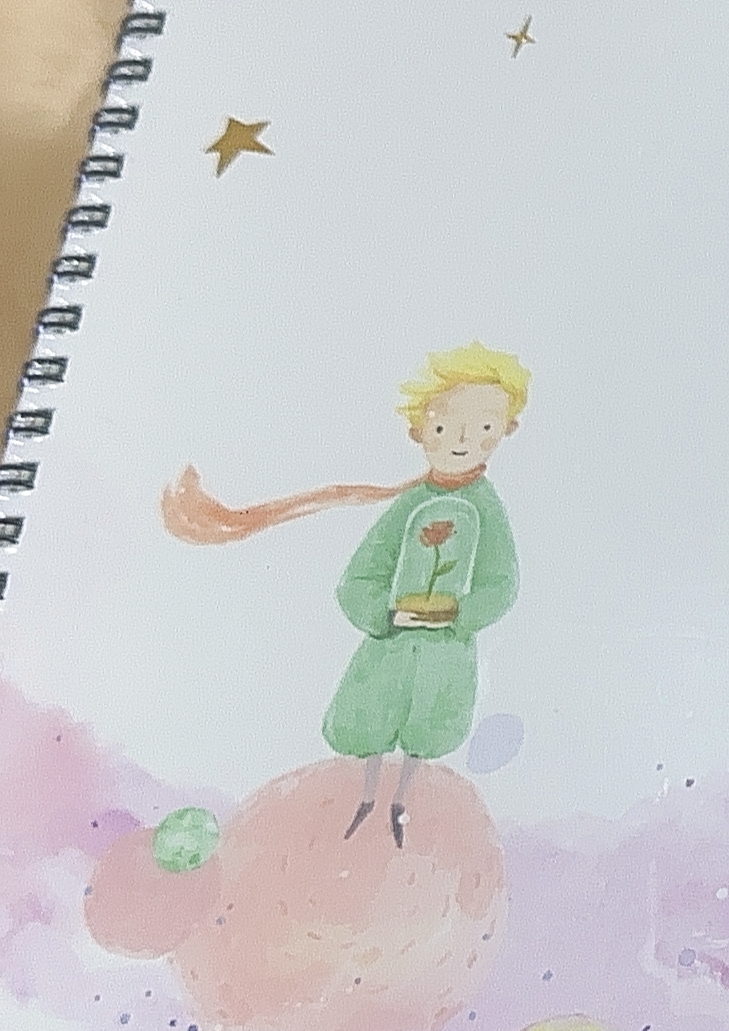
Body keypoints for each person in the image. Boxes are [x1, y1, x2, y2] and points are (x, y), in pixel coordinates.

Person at [162, 344, 527, 845]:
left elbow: (501, 582)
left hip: (445, 653)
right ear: (420, 432)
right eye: (445, 428)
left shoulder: (485, 508)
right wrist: (384, 614)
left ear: (505, 431)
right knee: (369, 722)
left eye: (482, 428)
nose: (462, 441)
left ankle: (402, 803)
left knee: (427, 730)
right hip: (388, 646)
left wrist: (459, 614)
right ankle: (365, 799)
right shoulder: (408, 505)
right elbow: (359, 577)